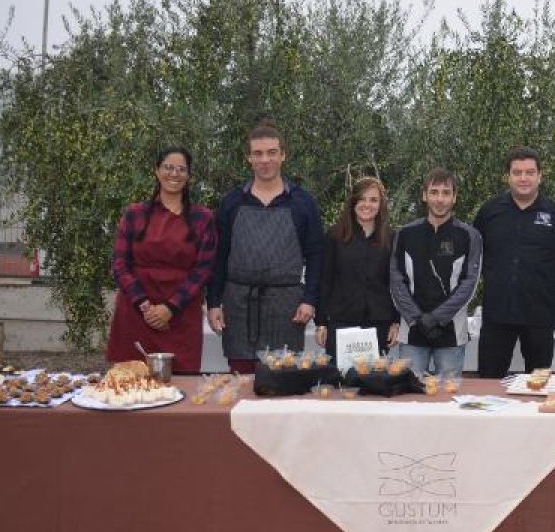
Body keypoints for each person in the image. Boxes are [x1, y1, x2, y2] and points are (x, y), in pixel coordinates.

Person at [207, 121, 324, 373]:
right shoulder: (232, 202)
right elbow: (219, 255)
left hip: (287, 307)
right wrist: (214, 302)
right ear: (248, 158)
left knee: (282, 384)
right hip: (239, 305)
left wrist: (310, 299)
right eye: (258, 153)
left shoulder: (303, 203)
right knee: (241, 385)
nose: (265, 159)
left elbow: (316, 255)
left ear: (283, 155)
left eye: (271, 152)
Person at [109, 147, 218, 373]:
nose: (174, 174)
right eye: (168, 167)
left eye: (181, 169)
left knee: (181, 388)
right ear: (156, 171)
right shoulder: (134, 214)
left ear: (189, 176)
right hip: (135, 312)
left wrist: (170, 307)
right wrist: (145, 305)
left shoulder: (203, 218)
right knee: (131, 387)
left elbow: (204, 269)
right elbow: (119, 265)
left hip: (182, 315)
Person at [473, 147, 555, 378]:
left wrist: (540, 283)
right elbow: (476, 258)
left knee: (538, 384)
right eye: (517, 172)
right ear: (507, 176)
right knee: (489, 382)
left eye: (530, 172)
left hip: (539, 315)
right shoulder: (489, 212)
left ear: (540, 176)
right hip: (497, 313)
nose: (523, 178)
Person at [390, 168, 482, 378]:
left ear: (455, 197)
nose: (440, 199)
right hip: (412, 331)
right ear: (424, 195)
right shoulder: (405, 233)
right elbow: (396, 281)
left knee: (448, 399)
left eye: (446, 193)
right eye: (434, 192)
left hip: (451, 333)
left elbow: (469, 284)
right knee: (409, 396)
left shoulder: (470, 235)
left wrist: (437, 318)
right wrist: (417, 319)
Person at [314, 177, 398, 359]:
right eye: (362, 199)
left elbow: (396, 283)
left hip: (379, 324)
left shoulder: (391, 238)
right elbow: (325, 281)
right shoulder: (334, 236)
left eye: (374, 200)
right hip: (341, 323)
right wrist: (321, 322)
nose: (367, 205)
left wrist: (396, 322)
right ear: (353, 201)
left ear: (381, 204)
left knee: (375, 383)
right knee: (342, 383)